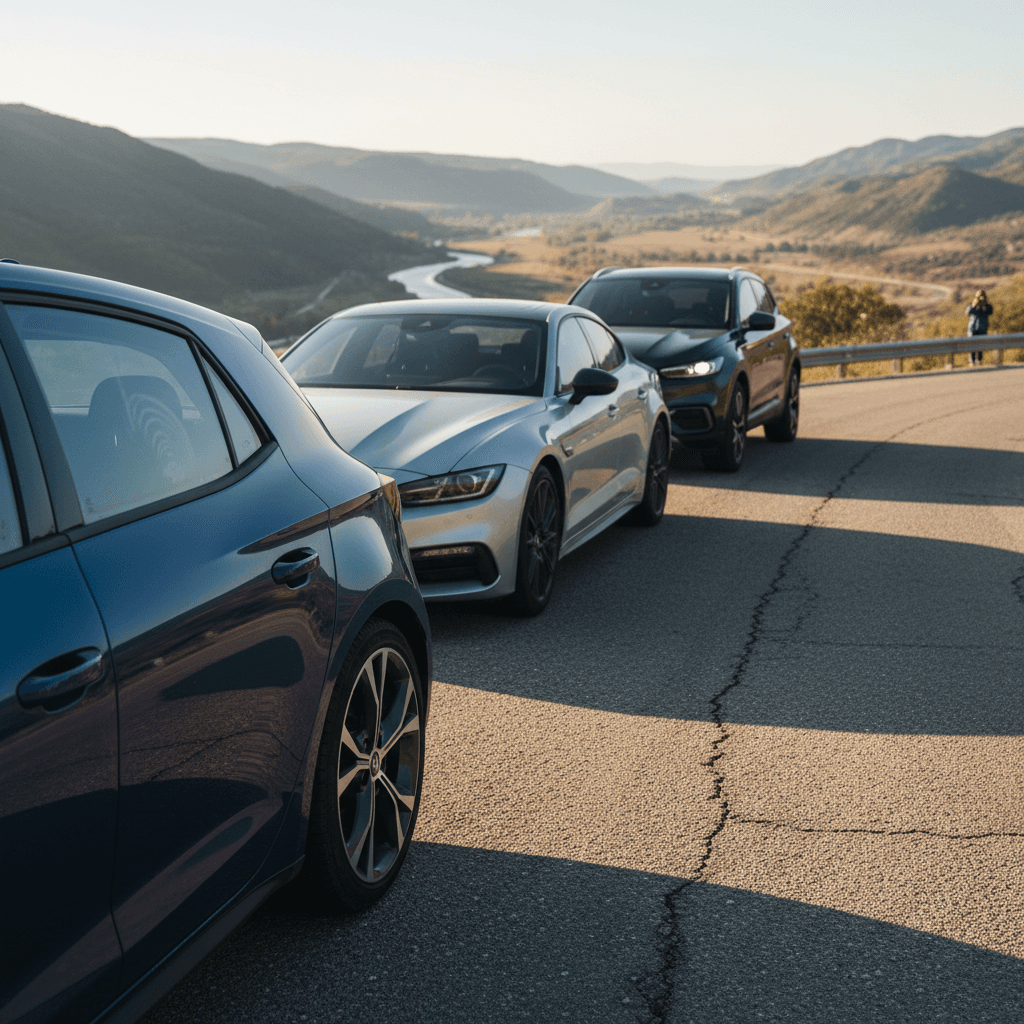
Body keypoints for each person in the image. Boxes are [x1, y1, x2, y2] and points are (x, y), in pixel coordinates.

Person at [966, 289, 993, 366]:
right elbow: (968, 312)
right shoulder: (972, 305)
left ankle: (979, 361)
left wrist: (985, 305)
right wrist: (974, 305)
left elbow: (990, 312)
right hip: (973, 329)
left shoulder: (987, 306)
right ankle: (972, 361)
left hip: (982, 329)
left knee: (980, 347)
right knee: (972, 347)